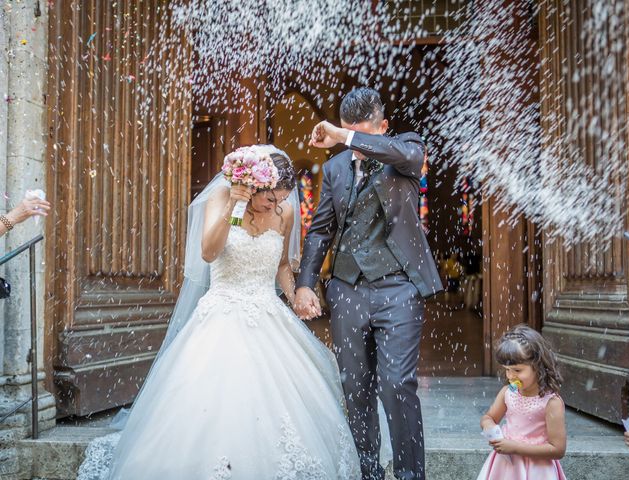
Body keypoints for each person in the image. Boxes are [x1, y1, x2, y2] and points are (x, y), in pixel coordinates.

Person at [77, 145, 361, 479]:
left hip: (267, 316)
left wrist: (295, 294)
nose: (277, 206)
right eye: (271, 199)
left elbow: (282, 265)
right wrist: (233, 204)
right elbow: (209, 252)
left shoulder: (283, 216)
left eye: (282, 200)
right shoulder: (222, 200)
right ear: (253, 186)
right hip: (222, 314)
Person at [294, 87, 443, 480]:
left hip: (398, 288)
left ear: (383, 126)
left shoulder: (406, 151)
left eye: (361, 134)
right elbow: (320, 230)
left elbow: (402, 154)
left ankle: (411, 475)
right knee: (355, 390)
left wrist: (346, 137)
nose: (353, 145)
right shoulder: (336, 169)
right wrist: (306, 282)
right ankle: (369, 473)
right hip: (347, 289)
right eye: (346, 131)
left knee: (397, 385)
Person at [478, 324, 567, 480]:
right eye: (507, 369)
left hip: (537, 470)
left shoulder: (551, 402)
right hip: (506, 466)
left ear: (538, 366)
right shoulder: (507, 393)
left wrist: (515, 448)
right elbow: (489, 417)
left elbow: (558, 449)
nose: (511, 376)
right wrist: (489, 426)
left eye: (517, 370)